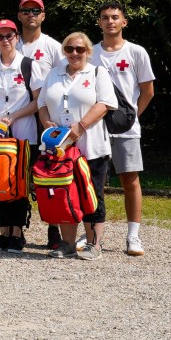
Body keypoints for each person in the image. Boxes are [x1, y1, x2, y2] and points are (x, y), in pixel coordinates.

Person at [38, 32, 115, 261]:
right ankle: (68, 244)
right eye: (70, 49)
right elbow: (42, 104)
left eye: (80, 49)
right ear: (64, 51)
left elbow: (105, 104)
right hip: (60, 148)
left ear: (88, 52)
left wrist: (81, 126)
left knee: (92, 194)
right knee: (64, 193)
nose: (74, 53)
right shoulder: (54, 74)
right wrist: (47, 123)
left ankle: (94, 244)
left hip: (91, 145)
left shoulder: (97, 72)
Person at [92, 2, 156, 257]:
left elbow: (148, 91)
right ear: (99, 23)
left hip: (127, 130)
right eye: (105, 18)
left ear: (124, 22)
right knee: (94, 181)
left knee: (130, 180)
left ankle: (133, 237)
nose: (110, 22)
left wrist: (131, 118)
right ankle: (93, 235)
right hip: (96, 128)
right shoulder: (90, 52)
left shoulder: (136, 52)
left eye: (115, 17)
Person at [0, 19, 40, 253]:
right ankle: (4, 232)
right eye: (0, 36)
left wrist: (13, 117)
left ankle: (17, 233)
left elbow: (37, 101)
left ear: (16, 37)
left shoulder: (29, 65)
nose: (5, 40)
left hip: (23, 133)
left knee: (19, 184)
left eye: (9, 36)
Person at [17, 0, 62, 83]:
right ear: (19, 16)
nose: (31, 14)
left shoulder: (53, 47)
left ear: (43, 16)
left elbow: (65, 76)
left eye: (36, 11)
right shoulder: (10, 46)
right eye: (26, 11)